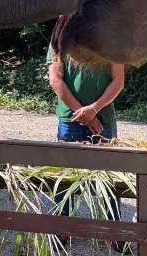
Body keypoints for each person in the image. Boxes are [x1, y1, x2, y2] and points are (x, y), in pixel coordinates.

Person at [47, 44, 126, 253]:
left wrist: (94, 109)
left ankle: (115, 231)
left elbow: (118, 81)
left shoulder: (112, 35)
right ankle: (61, 229)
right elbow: (55, 80)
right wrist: (82, 113)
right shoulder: (60, 39)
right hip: (70, 120)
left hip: (104, 119)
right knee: (64, 177)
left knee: (109, 178)